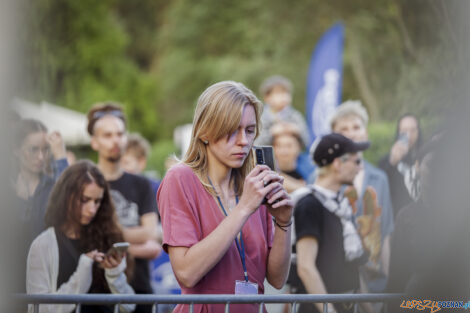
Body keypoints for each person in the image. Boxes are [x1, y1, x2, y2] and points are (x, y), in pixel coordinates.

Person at [157, 81, 293, 313]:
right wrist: (243, 208)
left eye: (250, 131)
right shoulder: (180, 179)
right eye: (232, 130)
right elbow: (187, 273)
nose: (244, 141)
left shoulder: (253, 184)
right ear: (206, 132)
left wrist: (283, 222)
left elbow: (277, 279)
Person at [26, 160, 135, 313]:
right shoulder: (44, 244)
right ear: (67, 197)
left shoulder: (106, 236)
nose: (92, 209)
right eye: (84, 200)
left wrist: (114, 274)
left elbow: (128, 306)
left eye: (97, 201)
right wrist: (83, 271)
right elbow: (39, 308)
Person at [87, 103, 161, 313]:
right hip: (95, 293)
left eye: (119, 134)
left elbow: (150, 232)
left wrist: (106, 240)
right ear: (94, 142)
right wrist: (132, 240)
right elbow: (82, 237)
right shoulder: (84, 182)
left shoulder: (142, 184)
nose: (115, 140)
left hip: (139, 291)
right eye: (107, 135)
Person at [328, 100, 394, 311]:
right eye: (343, 129)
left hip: (376, 283)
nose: (351, 133)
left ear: (365, 132)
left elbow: (385, 233)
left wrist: (391, 282)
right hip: (339, 287)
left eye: (356, 127)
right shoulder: (323, 180)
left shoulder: (379, 178)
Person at [295, 133, 369, 313]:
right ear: (338, 163)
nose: (360, 168)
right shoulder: (310, 204)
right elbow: (305, 267)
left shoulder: (341, 205)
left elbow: (352, 267)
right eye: (356, 162)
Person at [12, 119, 68, 243]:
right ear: (16, 150)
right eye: (33, 149)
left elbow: (71, 205)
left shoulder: (52, 186)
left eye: (46, 149)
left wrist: (61, 157)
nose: (41, 157)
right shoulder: (8, 186)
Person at [379, 114, 422, 215]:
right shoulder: (386, 160)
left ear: (418, 132)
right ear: (398, 133)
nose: (409, 135)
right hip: (395, 215)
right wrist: (392, 162)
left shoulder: (423, 156)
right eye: (404, 131)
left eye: (413, 130)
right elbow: (380, 186)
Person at [270, 122, 306, 194]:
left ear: (298, 148)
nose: (284, 151)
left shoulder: (308, 172)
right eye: (279, 146)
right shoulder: (265, 173)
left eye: (289, 146)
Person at [121, 132, 161, 196]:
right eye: (118, 163)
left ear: (141, 162)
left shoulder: (155, 188)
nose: (121, 168)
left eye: (126, 163)